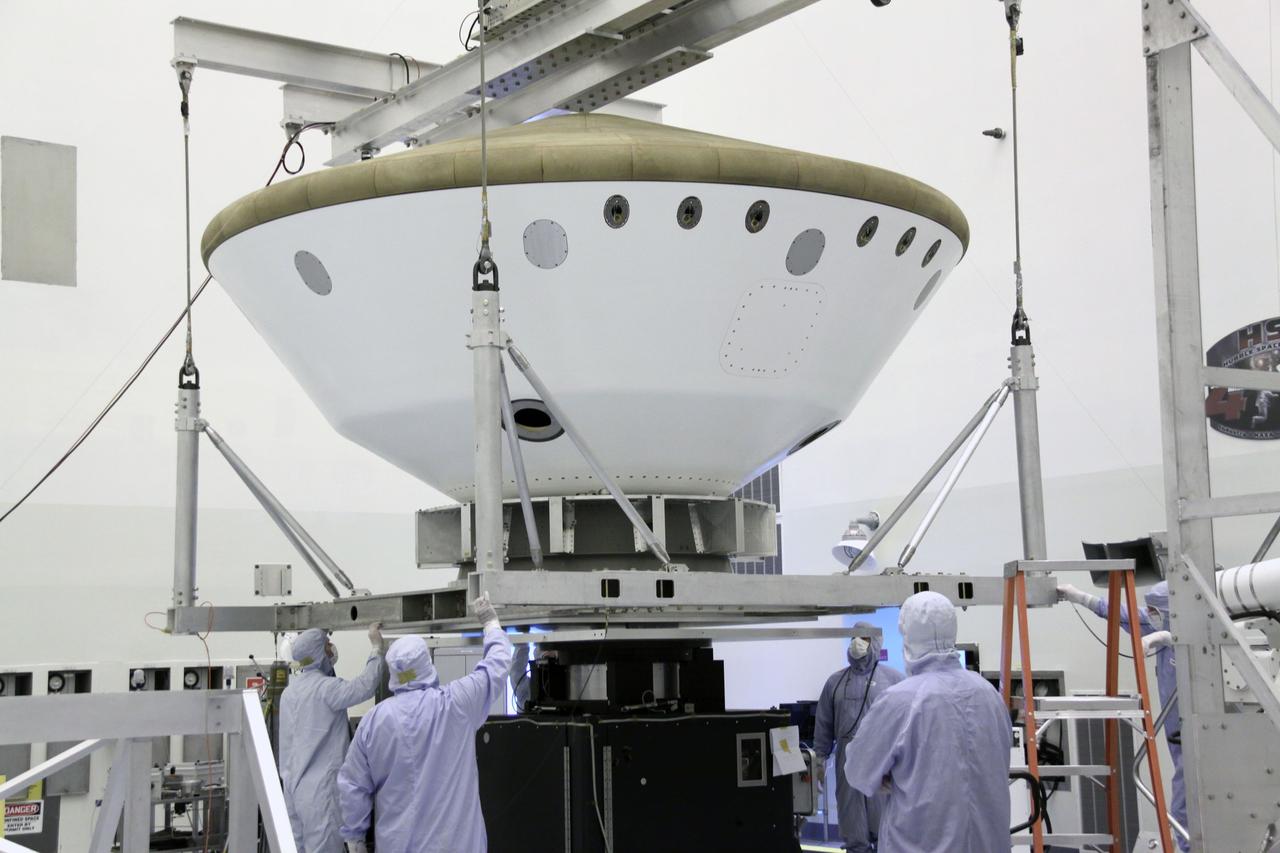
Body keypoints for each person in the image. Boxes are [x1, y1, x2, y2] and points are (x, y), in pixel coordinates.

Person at [338, 594, 513, 853]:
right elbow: (497, 665)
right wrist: (490, 623)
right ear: (426, 663)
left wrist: (355, 841)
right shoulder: (456, 703)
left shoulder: (375, 721)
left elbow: (353, 785)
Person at [844, 592, 1012, 852]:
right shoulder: (988, 694)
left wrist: (889, 777)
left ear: (907, 635)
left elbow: (857, 771)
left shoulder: (900, 700)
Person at [1060, 579, 1186, 851]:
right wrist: (1078, 596)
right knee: (1183, 811)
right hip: (1177, 739)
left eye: (1156, 612)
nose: (1150, 616)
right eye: (1150, 611)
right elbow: (1120, 611)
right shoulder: (1157, 621)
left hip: (1200, 741)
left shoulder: (1198, 636)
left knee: (1184, 809)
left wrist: (1173, 639)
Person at [279, 623, 385, 853]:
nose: (331, 649)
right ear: (318, 652)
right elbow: (364, 687)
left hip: (293, 793)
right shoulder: (326, 689)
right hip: (321, 795)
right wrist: (376, 649)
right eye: (327, 645)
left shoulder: (289, 693)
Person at [814, 622, 905, 853]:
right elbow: (824, 723)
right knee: (851, 816)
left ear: (875, 642)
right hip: (846, 760)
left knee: (883, 816)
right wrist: (818, 761)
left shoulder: (894, 680)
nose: (858, 642)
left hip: (882, 759)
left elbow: (907, 724)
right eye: (855, 637)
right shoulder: (835, 682)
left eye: (864, 638)